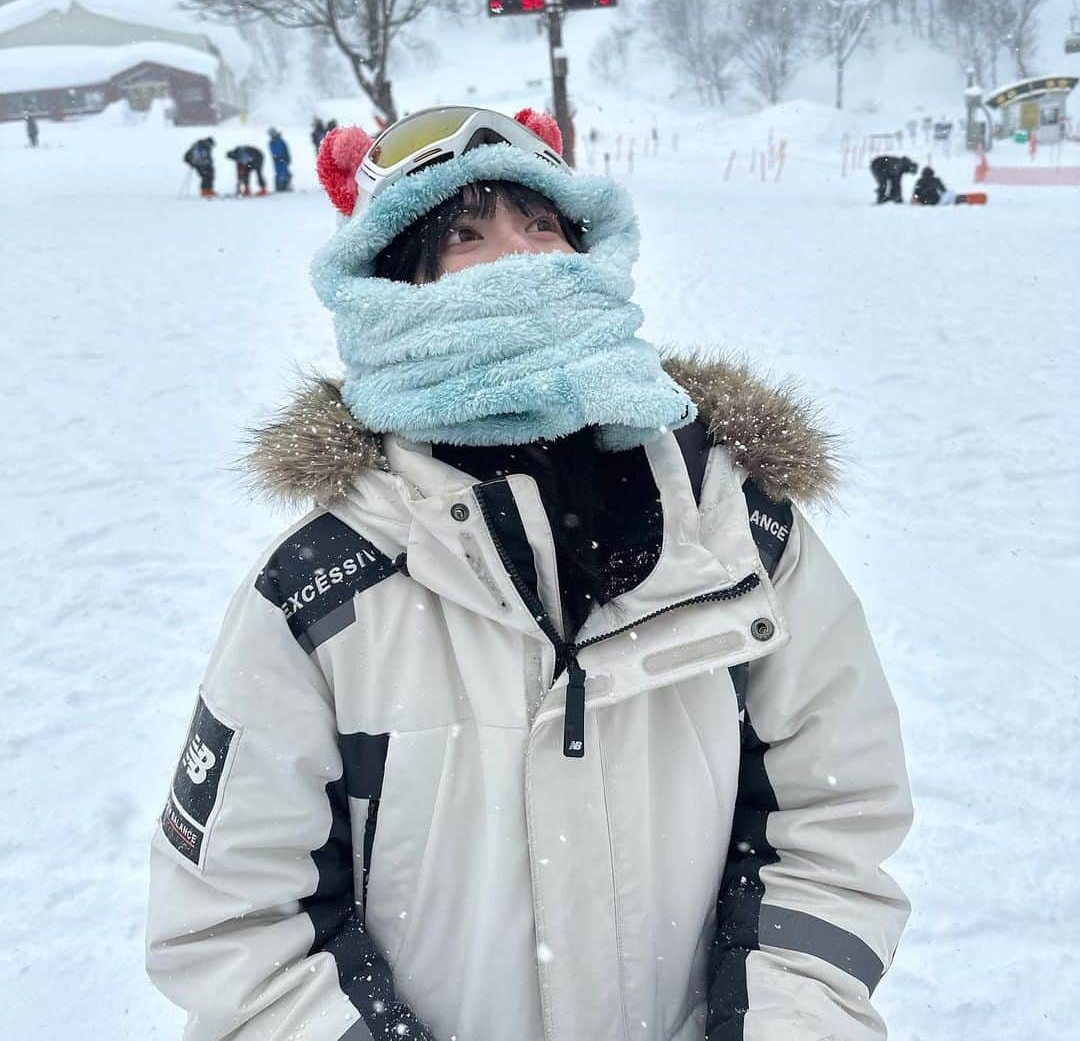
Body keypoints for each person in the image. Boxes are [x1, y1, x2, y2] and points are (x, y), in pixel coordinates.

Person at [147, 106, 912, 1041]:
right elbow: (234, 924)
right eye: (463, 235)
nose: (524, 255)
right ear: (395, 292)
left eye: (542, 223)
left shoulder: (734, 527)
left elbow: (836, 816)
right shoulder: (321, 588)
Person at [268, 128, 293, 192]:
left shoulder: (280, 140)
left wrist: (287, 157)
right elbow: (273, 151)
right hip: (277, 160)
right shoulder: (271, 142)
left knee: (285, 172)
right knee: (279, 173)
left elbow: (286, 149)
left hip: (283, 159)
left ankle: (285, 186)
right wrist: (276, 157)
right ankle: (279, 187)